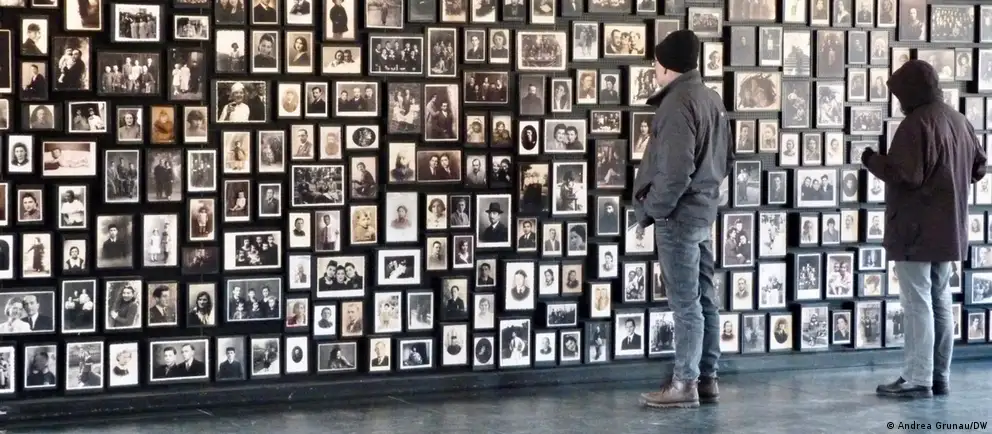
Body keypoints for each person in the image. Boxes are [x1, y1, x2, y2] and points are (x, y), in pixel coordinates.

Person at [864, 60, 986, 399]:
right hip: (949, 230)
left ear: (911, 91)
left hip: (914, 231)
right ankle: (939, 376)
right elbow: (979, 168)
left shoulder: (915, 124)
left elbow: (906, 174)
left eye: (900, 95)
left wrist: (872, 160)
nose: (899, 102)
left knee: (917, 302)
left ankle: (918, 379)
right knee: (940, 300)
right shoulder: (959, 120)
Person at [631, 30, 733, 409]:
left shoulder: (676, 104)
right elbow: (726, 159)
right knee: (705, 298)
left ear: (666, 65)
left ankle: (684, 384)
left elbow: (675, 172)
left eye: (656, 61)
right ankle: (707, 379)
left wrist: (653, 210)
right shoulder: (711, 98)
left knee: (686, 304)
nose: (654, 67)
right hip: (703, 214)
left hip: (678, 218)